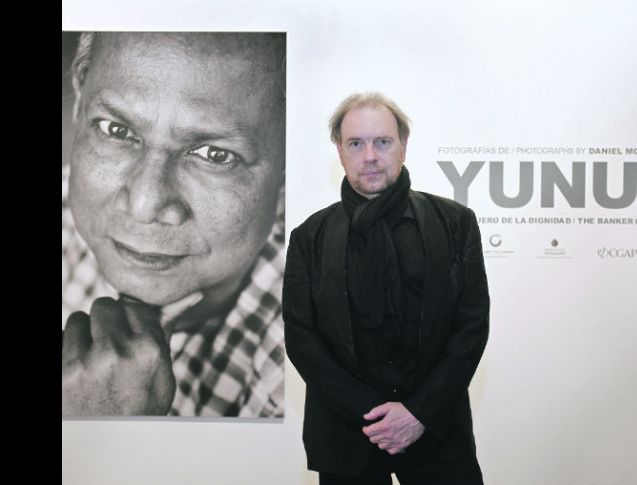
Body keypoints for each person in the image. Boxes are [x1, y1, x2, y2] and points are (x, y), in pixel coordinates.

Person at [61, 32, 286, 417]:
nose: (145, 204)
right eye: (117, 130)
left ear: (288, 163)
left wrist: (100, 437)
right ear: (79, 105)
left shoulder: (301, 365)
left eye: (215, 155)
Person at [284, 92, 490, 484]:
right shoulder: (309, 237)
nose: (370, 156)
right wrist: (377, 415)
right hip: (348, 437)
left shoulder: (456, 223)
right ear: (340, 153)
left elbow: (471, 325)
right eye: (356, 144)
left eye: (383, 142)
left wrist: (418, 414)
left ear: (403, 146)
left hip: (438, 434)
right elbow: (302, 340)